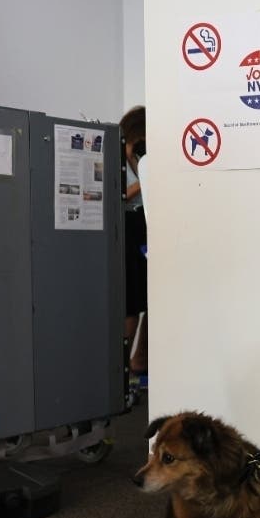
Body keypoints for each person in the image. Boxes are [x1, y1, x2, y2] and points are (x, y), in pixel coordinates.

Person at [121, 106, 148, 376]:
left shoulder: (140, 156)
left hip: (144, 226)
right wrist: (146, 179)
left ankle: (140, 359)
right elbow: (121, 193)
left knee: (150, 298)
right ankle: (122, 365)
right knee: (131, 301)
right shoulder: (116, 155)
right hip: (126, 229)